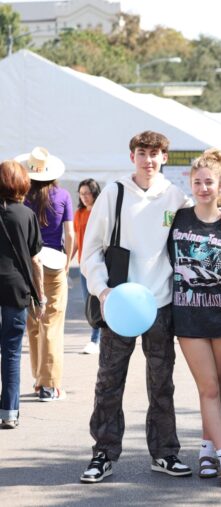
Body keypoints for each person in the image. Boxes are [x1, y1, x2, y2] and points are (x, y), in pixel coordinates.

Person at [79, 131, 221, 483]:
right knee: (109, 382)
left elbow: (205, 209)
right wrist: (102, 291)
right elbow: (90, 248)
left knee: (161, 383)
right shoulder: (115, 193)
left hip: (161, 304)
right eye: (142, 153)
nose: (148, 159)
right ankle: (103, 454)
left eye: (155, 153)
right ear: (132, 156)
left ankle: (165, 453)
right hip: (120, 303)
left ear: (165, 158)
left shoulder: (174, 196)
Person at [169, 149, 221, 488]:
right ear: (190, 183)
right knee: (210, 388)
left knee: (211, 391)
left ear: (220, 184)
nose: (203, 187)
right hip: (188, 319)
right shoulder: (176, 218)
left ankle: (205, 450)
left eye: (209, 182)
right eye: (197, 182)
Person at [16, 147, 73, 402]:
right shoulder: (63, 195)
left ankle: (39, 380)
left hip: (27, 263)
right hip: (54, 262)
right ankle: (50, 385)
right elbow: (69, 234)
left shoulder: (22, 197)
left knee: (34, 324)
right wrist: (68, 261)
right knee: (52, 321)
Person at [0, 160, 44, 429]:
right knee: (12, 352)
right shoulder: (26, 215)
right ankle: (9, 412)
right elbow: (36, 261)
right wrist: (40, 298)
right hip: (16, 289)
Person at [72, 179, 102, 354]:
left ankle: (95, 340)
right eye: (81, 194)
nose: (84, 197)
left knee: (98, 302)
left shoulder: (100, 212)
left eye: (87, 193)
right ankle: (95, 339)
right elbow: (76, 240)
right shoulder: (79, 213)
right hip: (83, 266)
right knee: (89, 304)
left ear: (94, 193)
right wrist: (67, 260)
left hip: (98, 264)